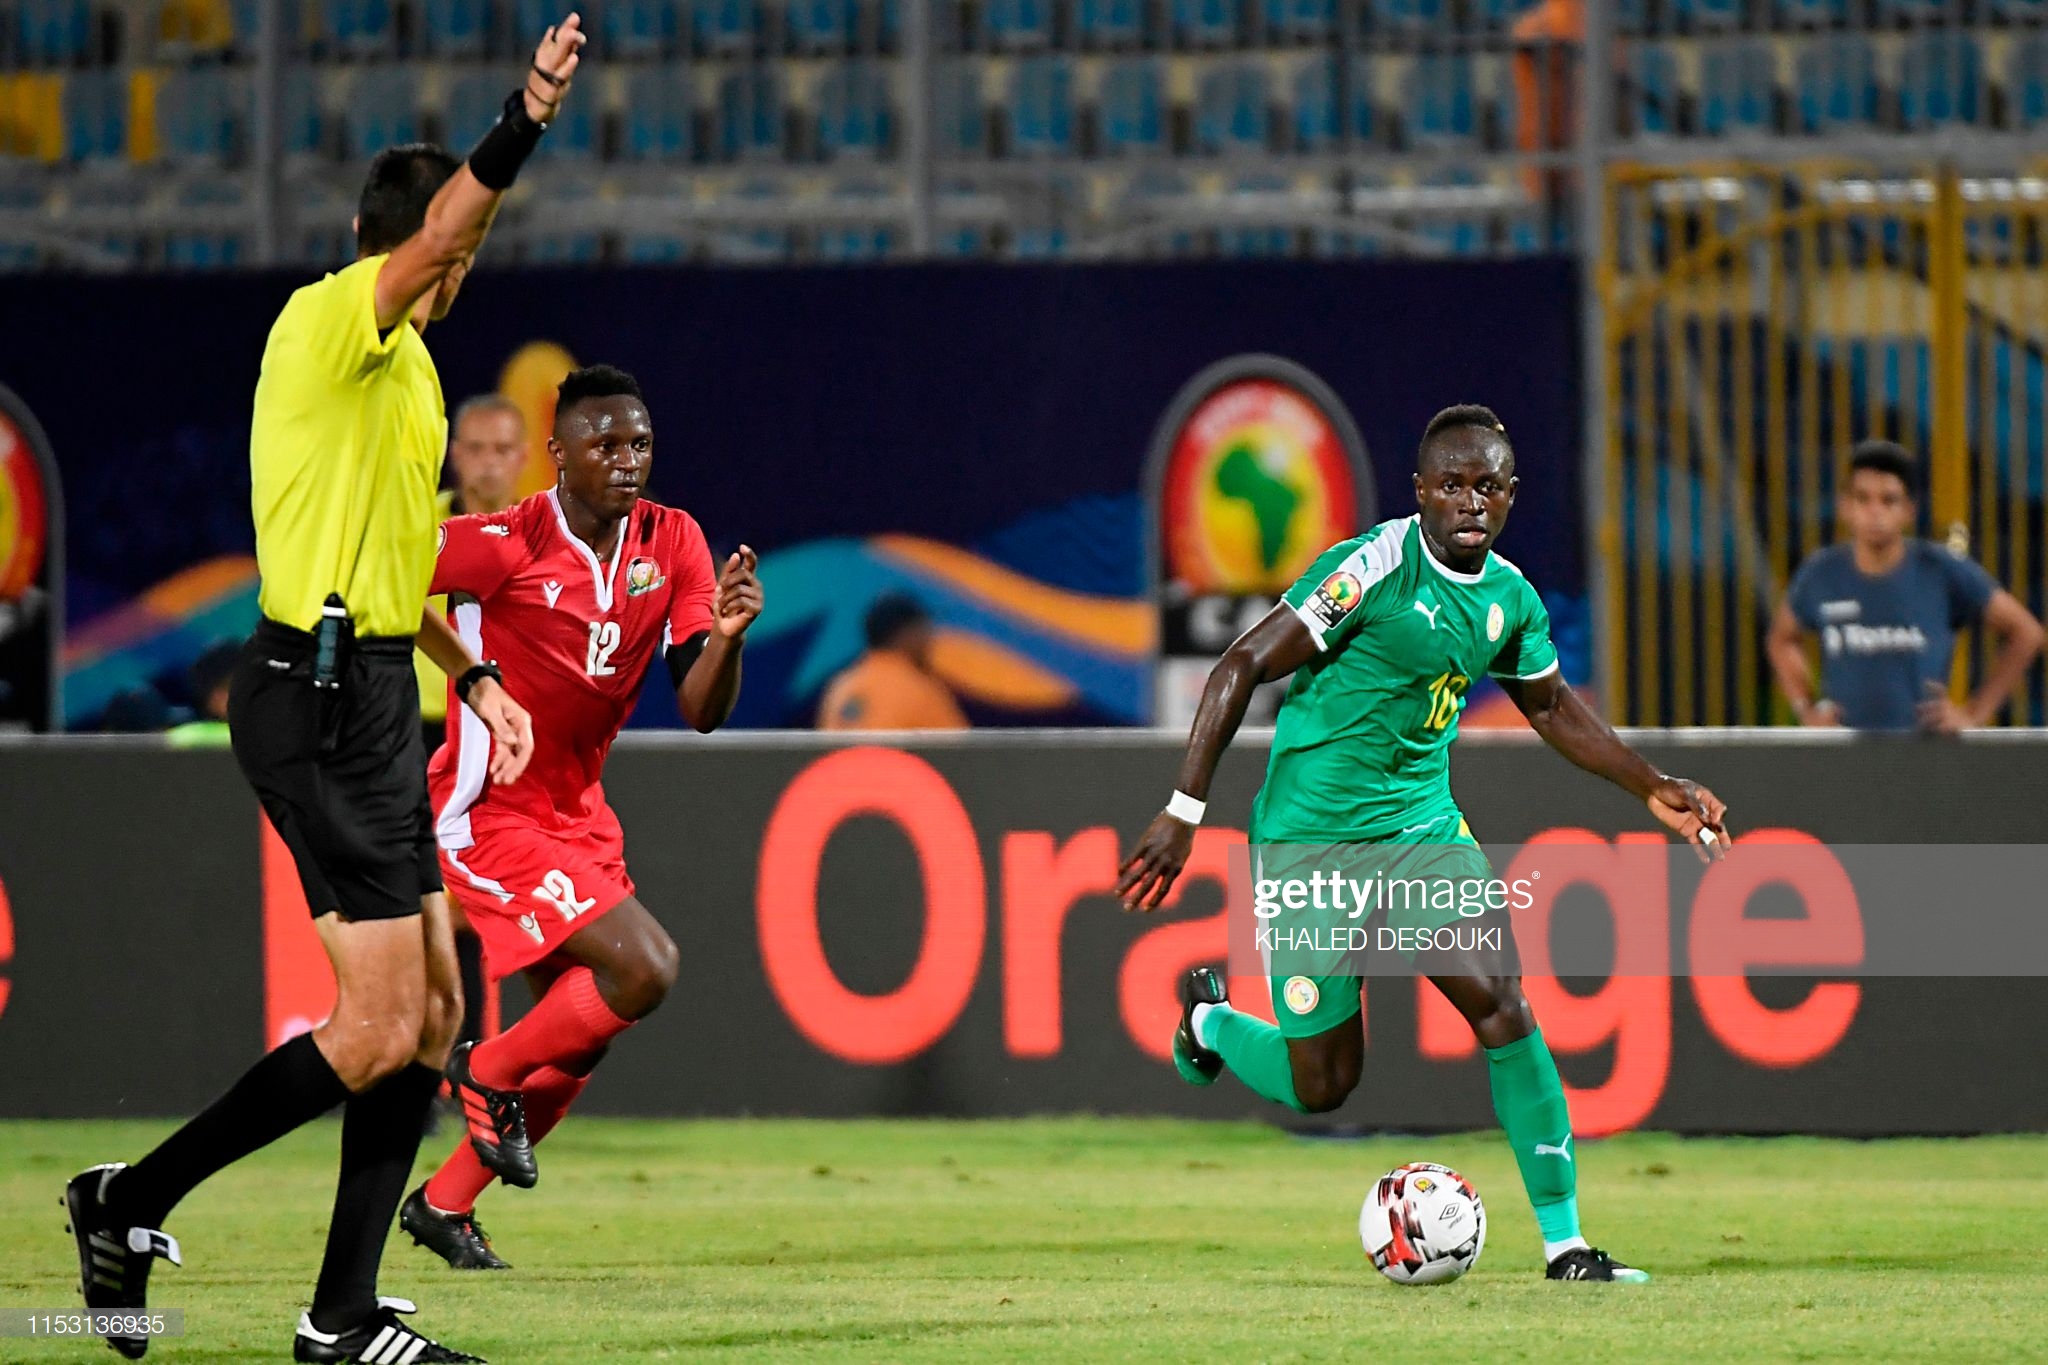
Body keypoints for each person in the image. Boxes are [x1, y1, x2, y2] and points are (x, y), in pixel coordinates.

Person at [66, 16, 584, 1364]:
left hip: (371, 693)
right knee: (374, 1027)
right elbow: (430, 242)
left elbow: (398, 565)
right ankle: (126, 1201)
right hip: (304, 689)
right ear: (419, 246)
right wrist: (520, 120)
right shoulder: (332, 324)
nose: (463, 267)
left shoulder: (411, 379)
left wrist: (471, 675)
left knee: (438, 1018)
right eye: (455, 248)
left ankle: (340, 1316)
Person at [1116, 404, 1730, 1284]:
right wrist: (1183, 807)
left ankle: (1566, 1246)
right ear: (1421, 493)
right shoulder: (1370, 570)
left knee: (1502, 1005)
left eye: (1487, 486)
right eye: (1452, 485)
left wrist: (1652, 785)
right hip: (1310, 844)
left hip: (1420, 833)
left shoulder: (1510, 599)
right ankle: (1208, 1020)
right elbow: (1239, 664)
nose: (1469, 501)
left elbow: (1551, 706)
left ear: (1511, 496)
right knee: (1325, 1083)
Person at [401, 364, 762, 1270]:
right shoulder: (504, 541)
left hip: (578, 818)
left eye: (639, 443)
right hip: (488, 812)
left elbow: (702, 708)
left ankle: (444, 1204)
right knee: (645, 966)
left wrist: (724, 638)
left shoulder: (672, 542)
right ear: (556, 454)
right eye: (604, 443)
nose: (626, 459)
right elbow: (377, 571)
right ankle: (481, 1070)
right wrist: (467, 677)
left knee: (585, 1035)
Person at [1768, 439, 2043, 732]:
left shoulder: (1942, 568)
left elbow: (2027, 632)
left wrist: (1974, 713)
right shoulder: (1821, 573)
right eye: (1863, 498)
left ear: (1909, 510)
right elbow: (1781, 639)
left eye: (1888, 500)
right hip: (1843, 755)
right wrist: (1806, 709)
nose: (1875, 511)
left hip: (1925, 754)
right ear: (1845, 507)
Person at [417, 394, 530, 754]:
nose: (489, 463)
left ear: (524, 456)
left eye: (502, 449)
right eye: (476, 449)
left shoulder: (546, 533)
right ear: (456, 454)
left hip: (510, 717)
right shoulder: (415, 525)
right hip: (420, 722)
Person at [816, 592, 968, 730]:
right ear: (907, 634)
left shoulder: (842, 687)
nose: (930, 639)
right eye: (924, 630)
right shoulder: (920, 690)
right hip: (898, 761)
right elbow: (963, 756)